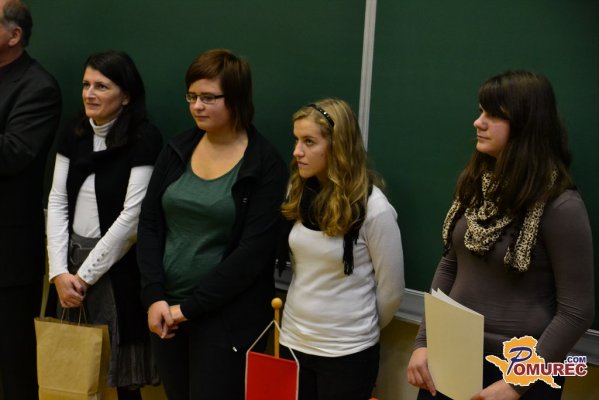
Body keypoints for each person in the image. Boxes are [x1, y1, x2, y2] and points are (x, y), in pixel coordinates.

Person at [407, 70, 594, 400]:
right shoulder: (476, 186)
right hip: (450, 355)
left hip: (518, 369)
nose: (478, 122)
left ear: (525, 125)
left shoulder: (560, 205)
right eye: (481, 111)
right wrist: (424, 342)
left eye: (494, 115)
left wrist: (518, 382)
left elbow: (576, 312)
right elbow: (450, 265)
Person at [137, 48, 288, 399]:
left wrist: (189, 309)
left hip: (226, 319)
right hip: (166, 310)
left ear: (235, 98)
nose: (197, 106)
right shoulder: (178, 148)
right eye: (191, 97)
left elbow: (252, 253)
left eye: (208, 98)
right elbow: (149, 224)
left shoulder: (264, 164)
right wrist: (154, 296)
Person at [46, 51, 162, 399]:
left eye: (101, 86)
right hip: (68, 268)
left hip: (116, 270)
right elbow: (57, 201)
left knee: (122, 381)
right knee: (69, 373)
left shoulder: (143, 138)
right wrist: (59, 272)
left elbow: (133, 217)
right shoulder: (75, 132)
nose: (89, 94)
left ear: (126, 96)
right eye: (86, 85)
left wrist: (84, 278)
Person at [278, 98, 405, 400]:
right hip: (294, 341)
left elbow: (391, 291)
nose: (297, 151)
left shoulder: (374, 209)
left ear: (337, 146)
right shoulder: (299, 192)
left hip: (347, 352)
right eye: (296, 140)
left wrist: (355, 328)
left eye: (309, 142)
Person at [0, 1, 61, 398]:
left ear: (14, 35)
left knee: (14, 366)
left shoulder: (38, 87)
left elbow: (13, 153)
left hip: (7, 254)